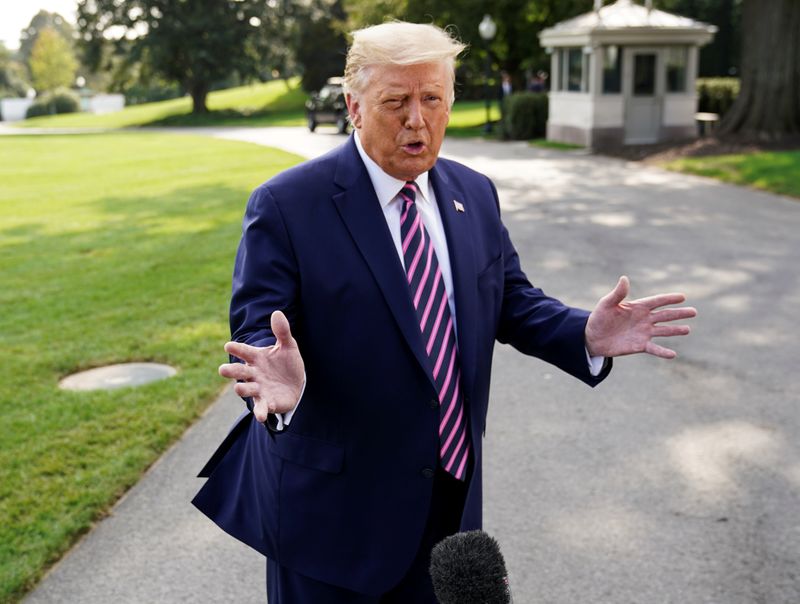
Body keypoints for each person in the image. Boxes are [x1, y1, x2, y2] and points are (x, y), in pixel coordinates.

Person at [192, 21, 696, 603]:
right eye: (396, 102)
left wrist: (583, 331)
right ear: (354, 107)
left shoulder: (474, 193)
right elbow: (258, 331)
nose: (417, 119)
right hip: (333, 521)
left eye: (432, 98)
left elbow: (509, 298)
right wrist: (282, 384)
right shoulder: (286, 204)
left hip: (449, 505)